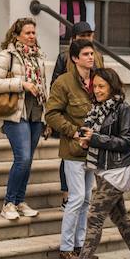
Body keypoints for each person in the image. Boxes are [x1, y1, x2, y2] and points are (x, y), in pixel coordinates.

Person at [53, 68, 130, 259]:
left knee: (94, 216)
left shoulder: (124, 109)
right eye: (94, 86)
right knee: (120, 217)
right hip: (102, 168)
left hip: (118, 170)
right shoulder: (97, 109)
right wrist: (88, 141)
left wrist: (95, 139)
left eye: (101, 86)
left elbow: (126, 143)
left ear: (112, 86)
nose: (97, 90)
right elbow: (101, 138)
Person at [0, 18, 49, 222]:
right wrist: (21, 84)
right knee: (22, 159)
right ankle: (9, 203)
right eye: (28, 33)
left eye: (33, 33)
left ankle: (20, 200)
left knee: (28, 160)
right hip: (15, 113)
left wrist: (46, 117)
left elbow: (44, 87)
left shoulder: (39, 56)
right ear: (16, 35)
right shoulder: (7, 56)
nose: (32, 36)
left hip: (36, 113)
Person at [45, 39, 97, 259]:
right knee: (76, 198)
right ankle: (66, 248)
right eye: (85, 54)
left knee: (87, 199)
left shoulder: (97, 81)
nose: (90, 57)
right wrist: (74, 132)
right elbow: (52, 114)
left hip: (93, 149)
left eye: (91, 53)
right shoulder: (63, 83)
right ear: (75, 58)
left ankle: (81, 246)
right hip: (73, 150)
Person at [50, 21, 104, 211]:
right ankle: (66, 194)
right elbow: (55, 87)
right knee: (68, 157)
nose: (87, 39)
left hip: (90, 119)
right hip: (69, 113)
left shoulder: (97, 57)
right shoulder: (65, 57)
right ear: (74, 38)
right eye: (82, 36)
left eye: (89, 35)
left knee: (86, 191)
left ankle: (80, 236)